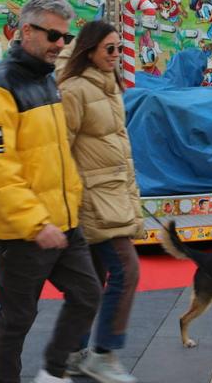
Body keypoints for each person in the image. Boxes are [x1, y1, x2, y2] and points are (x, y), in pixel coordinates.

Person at [0, 0, 102, 383]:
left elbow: (57, 154)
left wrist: (73, 206)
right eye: (53, 35)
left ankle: (52, 372)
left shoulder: (47, 81)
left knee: (88, 295)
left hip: (63, 223)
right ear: (26, 30)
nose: (61, 44)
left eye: (66, 37)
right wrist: (34, 222)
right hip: (20, 233)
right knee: (17, 319)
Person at [56, 21, 144, 383]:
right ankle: (104, 354)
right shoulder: (74, 90)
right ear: (89, 50)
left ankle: (73, 353)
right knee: (127, 271)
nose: (115, 55)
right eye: (109, 48)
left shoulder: (108, 88)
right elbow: (60, 148)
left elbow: (117, 148)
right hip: (92, 198)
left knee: (91, 281)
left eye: (119, 48)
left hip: (111, 191)